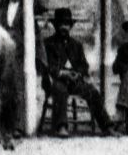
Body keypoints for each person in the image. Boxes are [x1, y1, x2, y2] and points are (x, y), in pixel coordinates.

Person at [40, 7, 111, 137]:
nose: (64, 27)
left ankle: (107, 126)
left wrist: (78, 73)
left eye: (66, 24)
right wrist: (61, 73)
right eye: (61, 24)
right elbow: (45, 66)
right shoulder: (47, 44)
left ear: (70, 26)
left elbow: (84, 65)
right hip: (55, 80)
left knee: (93, 92)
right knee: (60, 90)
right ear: (55, 25)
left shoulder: (76, 45)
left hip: (74, 81)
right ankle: (61, 126)